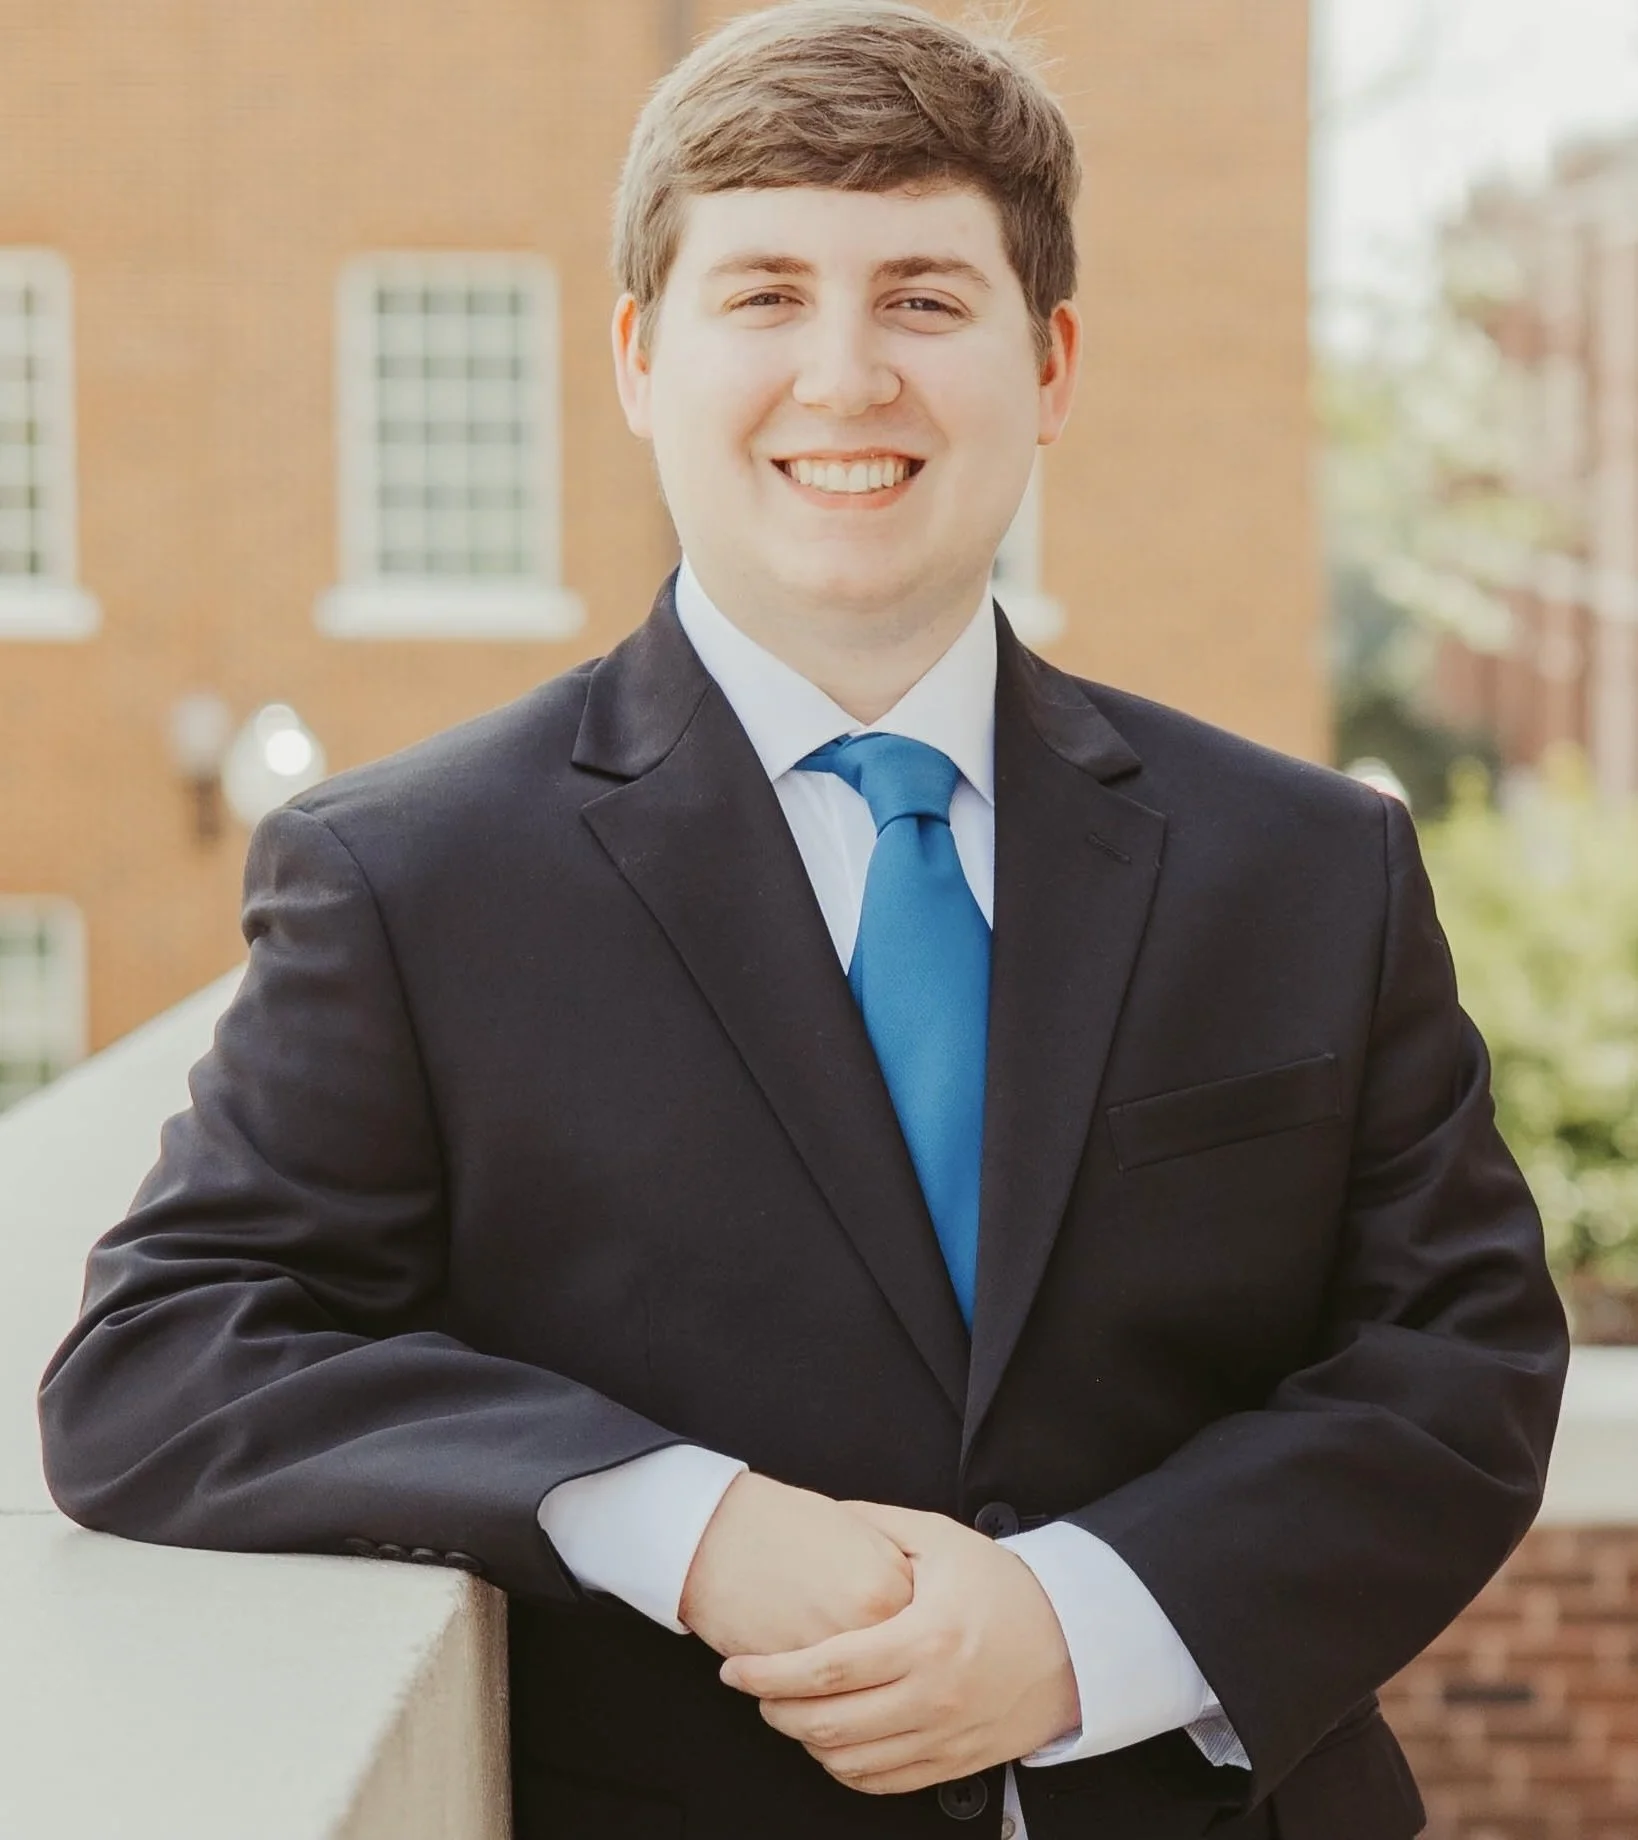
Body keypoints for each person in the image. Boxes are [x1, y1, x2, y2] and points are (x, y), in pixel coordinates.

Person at [38, 4, 1568, 1836]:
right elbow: (171, 1353)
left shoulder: (1307, 863)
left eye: (923, 298)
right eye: (762, 296)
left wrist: (1085, 1626)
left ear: (1052, 360)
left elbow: (1455, 1361)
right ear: (635, 356)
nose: (844, 379)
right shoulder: (407, 877)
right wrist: (679, 1521)